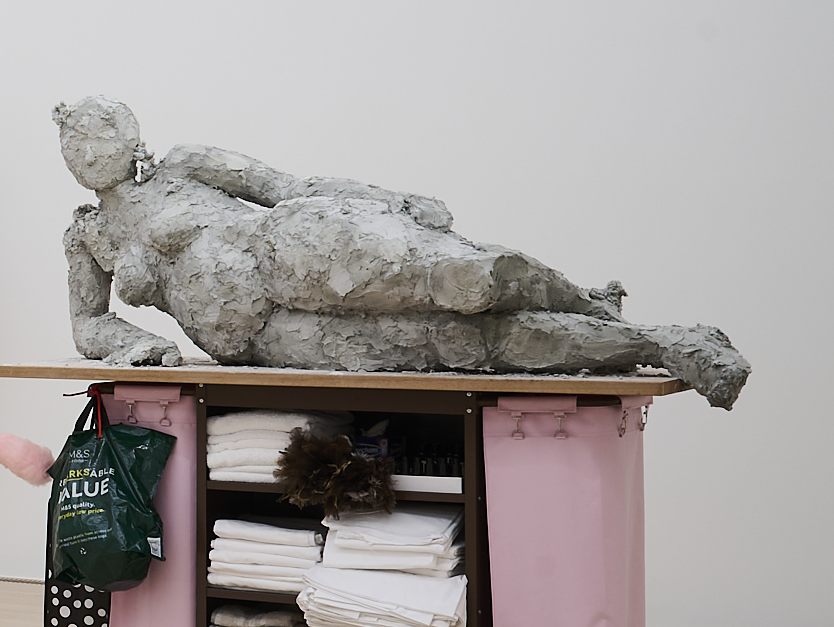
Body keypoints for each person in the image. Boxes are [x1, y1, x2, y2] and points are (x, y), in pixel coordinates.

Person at [56, 97, 745, 407]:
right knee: (459, 346)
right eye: (74, 140)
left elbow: (285, 186)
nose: (88, 146)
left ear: (130, 129)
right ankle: (656, 343)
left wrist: (391, 200)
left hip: (291, 249)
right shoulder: (89, 235)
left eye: (98, 127)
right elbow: (87, 324)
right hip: (260, 338)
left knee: (466, 280)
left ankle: (593, 307)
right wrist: (136, 344)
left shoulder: (184, 165)